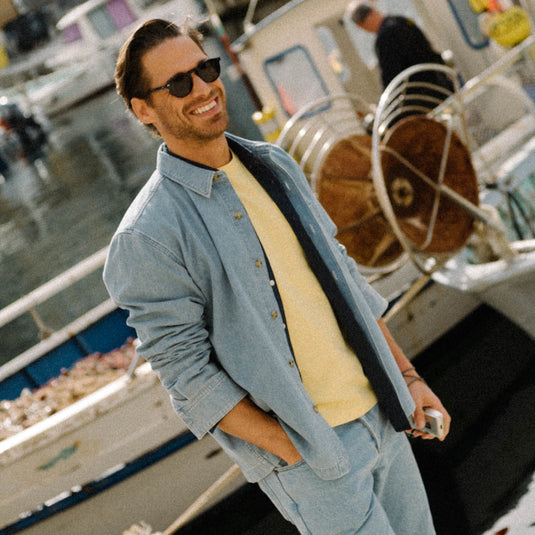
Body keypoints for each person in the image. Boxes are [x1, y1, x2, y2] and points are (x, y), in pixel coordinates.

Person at [103, 18, 451, 535]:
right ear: (143, 109)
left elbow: (345, 282)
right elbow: (187, 377)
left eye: (205, 69)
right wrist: (293, 449)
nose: (202, 88)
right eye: (178, 83)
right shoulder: (147, 236)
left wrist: (408, 378)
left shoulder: (275, 166)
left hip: (383, 415)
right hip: (316, 460)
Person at [347, 1, 454, 102]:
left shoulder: (384, 38)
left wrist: (384, 101)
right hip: (441, 83)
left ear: (361, 24)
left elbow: (391, 76)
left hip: (422, 96)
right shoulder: (403, 21)